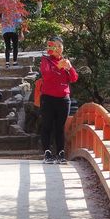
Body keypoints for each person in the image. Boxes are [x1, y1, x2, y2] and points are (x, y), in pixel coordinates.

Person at [40, 36, 78, 164]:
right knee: (47, 125)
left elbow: (74, 78)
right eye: (55, 46)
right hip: (48, 97)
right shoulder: (46, 60)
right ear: (51, 47)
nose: (58, 49)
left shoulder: (65, 61)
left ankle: (61, 153)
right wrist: (58, 67)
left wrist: (69, 68)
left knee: (60, 127)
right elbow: (46, 76)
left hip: (63, 99)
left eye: (60, 46)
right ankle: (47, 152)